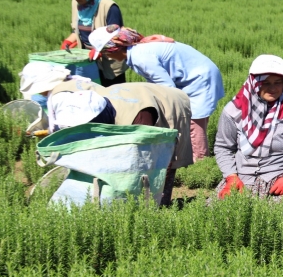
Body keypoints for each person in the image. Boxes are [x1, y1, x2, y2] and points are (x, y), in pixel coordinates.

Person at [19, 62, 193, 206]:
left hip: (161, 102)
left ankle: (156, 205)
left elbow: (142, 158)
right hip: (132, 98)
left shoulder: (136, 120)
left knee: (158, 159)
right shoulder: (77, 92)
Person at [88, 25, 225, 163]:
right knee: (186, 120)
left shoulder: (140, 57)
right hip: (192, 76)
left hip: (199, 79)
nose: (107, 57)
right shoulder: (136, 50)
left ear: (113, 49)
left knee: (194, 122)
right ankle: (186, 155)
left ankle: (200, 162)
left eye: (105, 54)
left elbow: (168, 89)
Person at [213, 54, 283, 207]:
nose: (272, 88)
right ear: (253, 83)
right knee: (218, 216)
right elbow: (223, 147)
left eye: (278, 82)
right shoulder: (234, 110)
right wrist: (231, 177)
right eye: (265, 83)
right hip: (243, 178)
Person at [61, 0, 127, 86]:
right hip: (88, 60)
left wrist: (99, 49)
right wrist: (69, 41)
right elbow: (77, 30)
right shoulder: (76, 3)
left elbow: (116, 37)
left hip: (108, 62)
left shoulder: (109, 7)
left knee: (112, 94)